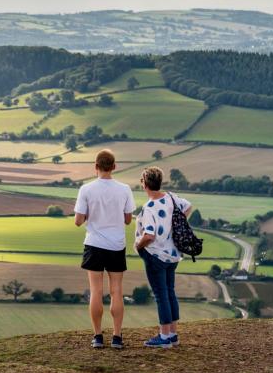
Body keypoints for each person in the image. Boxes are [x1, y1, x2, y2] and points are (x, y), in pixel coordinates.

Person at [74, 149, 135, 349]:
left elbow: (78, 221)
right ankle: (117, 337)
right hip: (117, 245)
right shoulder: (125, 189)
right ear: (114, 167)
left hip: (94, 244)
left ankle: (98, 336)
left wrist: (90, 217)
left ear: (96, 166)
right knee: (116, 291)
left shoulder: (86, 189)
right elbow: (127, 220)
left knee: (95, 292)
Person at [134, 166, 193, 349]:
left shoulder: (149, 207)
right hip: (173, 254)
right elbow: (188, 206)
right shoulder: (171, 197)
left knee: (161, 295)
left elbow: (149, 235)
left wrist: (138, 245)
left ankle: (164, 336)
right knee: (170, 291)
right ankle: (173, 335)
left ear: (145, 184)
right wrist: (176, 223)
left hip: (155, 255)